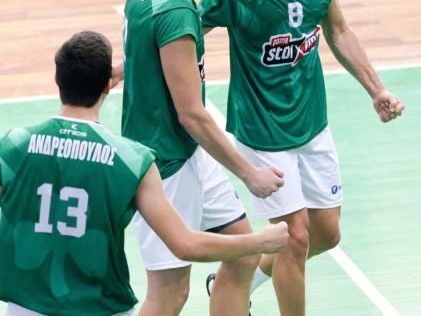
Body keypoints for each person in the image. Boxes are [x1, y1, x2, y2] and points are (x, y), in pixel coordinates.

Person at [200, 0, 405, 316]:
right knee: (294, 237)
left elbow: (337, 30)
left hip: (311, 122)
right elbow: (186, 32)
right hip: (260, 128)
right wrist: (138, 68)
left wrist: (377, 89)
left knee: (326, 233)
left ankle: (236, 281)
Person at [0, 31, 289, 316]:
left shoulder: (15, 145)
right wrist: (260, 242)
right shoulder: (130, 159)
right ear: (107, 86)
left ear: (57, 79)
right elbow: (185, 245)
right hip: (100, 308)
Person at [120, 0, 285, 316]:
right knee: (170, 294)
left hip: (188, 154)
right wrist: (249, 173)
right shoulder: (176, 9)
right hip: (166, 165)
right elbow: (192, 114)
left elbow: (146, 47)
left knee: (244, 253)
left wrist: (125, 67)